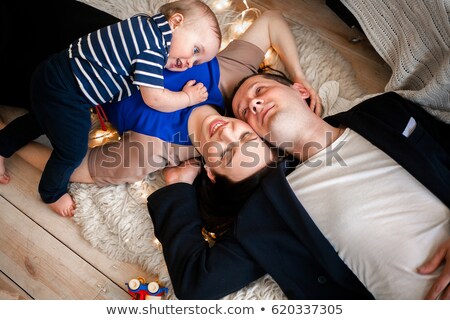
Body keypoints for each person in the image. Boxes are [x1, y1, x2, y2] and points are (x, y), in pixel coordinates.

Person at [146, 72, 450, 299]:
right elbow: (198, 282)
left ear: (300, 90)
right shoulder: (265, 213)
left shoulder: (385, 111)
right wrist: (178, 190)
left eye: (260, 90)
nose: (253, 103)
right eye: (243, 113)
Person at [2, 2, 321, 217]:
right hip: (87, 35)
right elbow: (270, 20)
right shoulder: (227, 78)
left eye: (224, 155)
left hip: (57, 85)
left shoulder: (151, 151)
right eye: (245, 139)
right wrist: (299, 76)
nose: (226, 135)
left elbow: (74, 165)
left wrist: (11, 142)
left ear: (209, 171)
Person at [0, 0, 222, 216]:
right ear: (175, 21)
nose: (189, 63)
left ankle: (3, 145)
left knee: (40, 120)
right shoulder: (153, 51)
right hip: (70, 94)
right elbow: (154, 99)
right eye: (195, 50)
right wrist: (186, 97)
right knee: (73, 150)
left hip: (54, 71)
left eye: (197, 62)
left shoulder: (142, 23)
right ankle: (51, 192)